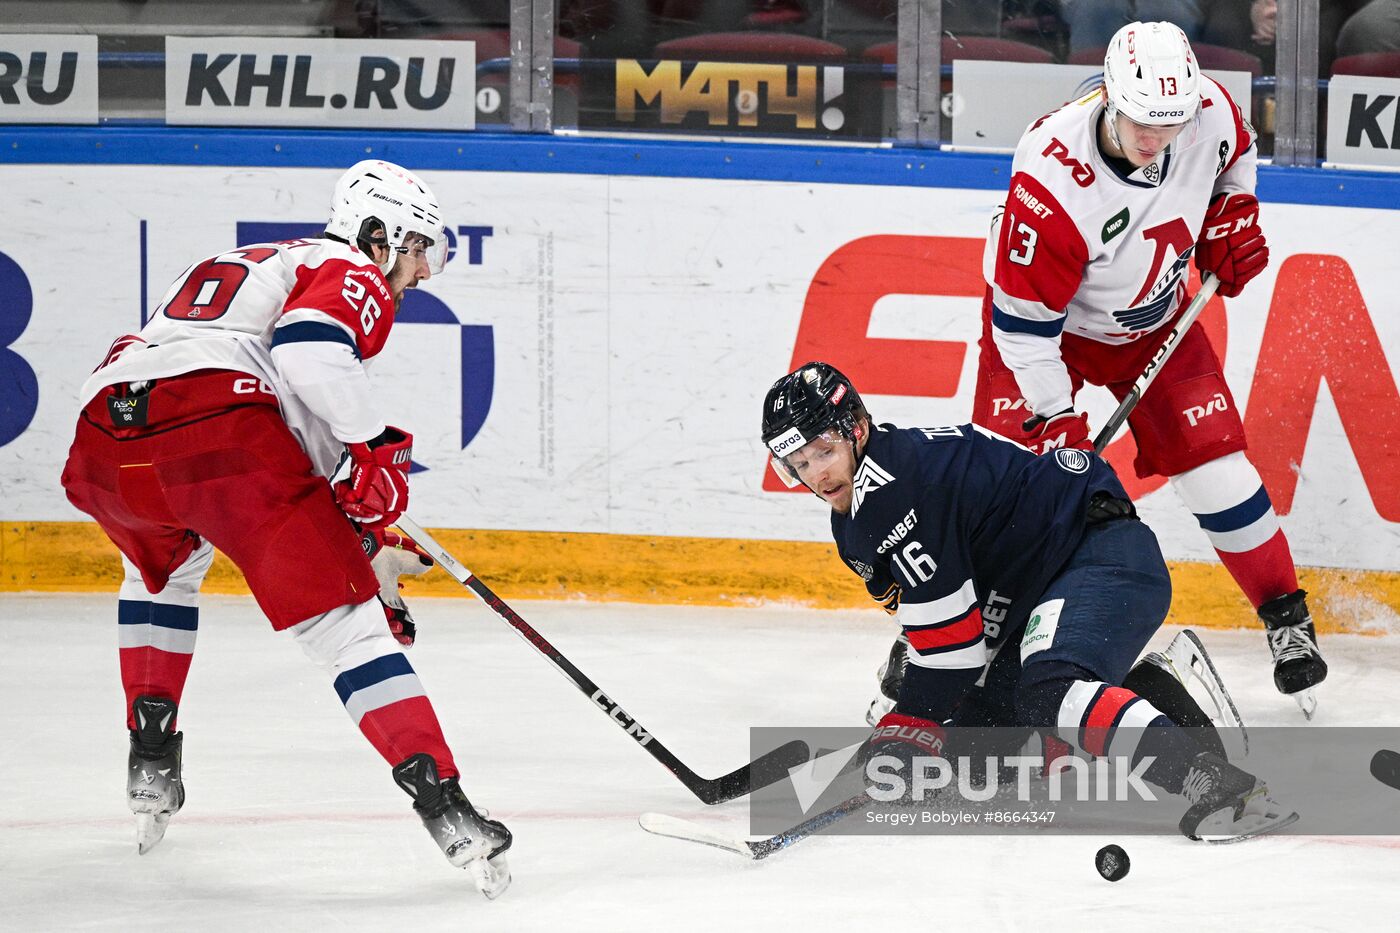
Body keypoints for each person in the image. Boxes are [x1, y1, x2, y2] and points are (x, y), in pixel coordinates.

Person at [60, 160, 512, 898]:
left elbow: (210, 386)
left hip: (108, 436)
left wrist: (364, 542)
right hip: (217, 431)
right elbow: (308, 353)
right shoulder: (344, 265)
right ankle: (450, 811)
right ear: (379, 233)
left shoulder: (234, 266)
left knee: (161, 574)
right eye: (420, 247)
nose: (424, 269)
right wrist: (369, 446)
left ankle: (151, 758)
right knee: (349, 632)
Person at [762, 360, 1295, 840]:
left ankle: (1216, 782)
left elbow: (953, 650)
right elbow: (935, 629)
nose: (818, 474)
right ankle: (1147, 688)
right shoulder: (857, 515)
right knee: (977, 754)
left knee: (1047, 690)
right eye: (799, 463)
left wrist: (911, 716)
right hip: (1032, 588)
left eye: (824, 452)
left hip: (1097, 555)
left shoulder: (892, 489)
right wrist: (924, 717)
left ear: (855, 429)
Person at [974, 20, 1326, 716]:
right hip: (1052, 335)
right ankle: (956, 636)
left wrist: (1233, 212)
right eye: (1140, 121)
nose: (1154, 139)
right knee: (1004, 493)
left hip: (1155, 319)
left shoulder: (1207, 110)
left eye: (1168, 123)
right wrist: (1056, 418)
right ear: (1109, 94)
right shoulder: (1050, 177)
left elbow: (1235, 157)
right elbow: (1020, 329)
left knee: (1221, 472)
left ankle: (1287, 617)